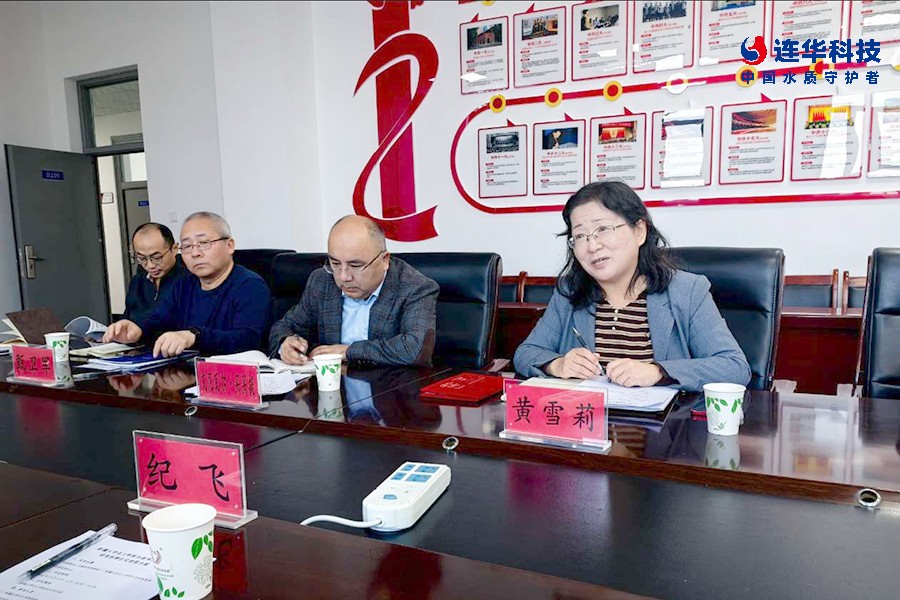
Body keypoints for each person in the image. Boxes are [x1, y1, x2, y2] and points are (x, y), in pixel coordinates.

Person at [513, 181, 750, 392]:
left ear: (639, 231)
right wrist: (558, 365)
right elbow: (526, 353)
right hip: (588, 423)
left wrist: (657, 372)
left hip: (664, 426)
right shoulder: (569, 292)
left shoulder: (687, 291)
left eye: (602, 229)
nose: (592, 246)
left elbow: (734, 367)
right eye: (581, 236)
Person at [269, 215, 439, 367]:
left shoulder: (414, 287)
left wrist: (348, 351)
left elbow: (415, 349)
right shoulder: (322, 280)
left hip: (391, 387)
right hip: (336, 385)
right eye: (335, 263)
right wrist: (286, 344)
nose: (343, 277)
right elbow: (284, 326)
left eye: (355, 265)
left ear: (384, 260)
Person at [103, 212, 271, 357]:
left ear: (229, 246)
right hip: (186, 374)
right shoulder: (184, 285)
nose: (195, 253)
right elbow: (159, 319)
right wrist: (137, 330)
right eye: (187, 246)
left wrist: (194, 336)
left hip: (229, 376)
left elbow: (249, 339)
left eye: (204, 243)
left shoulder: (250, 285)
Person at [124, 222, 188, 323]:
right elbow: (128, 317)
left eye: (157, 258)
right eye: (142, 258)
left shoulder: (189, 281)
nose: (150, 265)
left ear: (174, 249)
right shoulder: (137, 282)